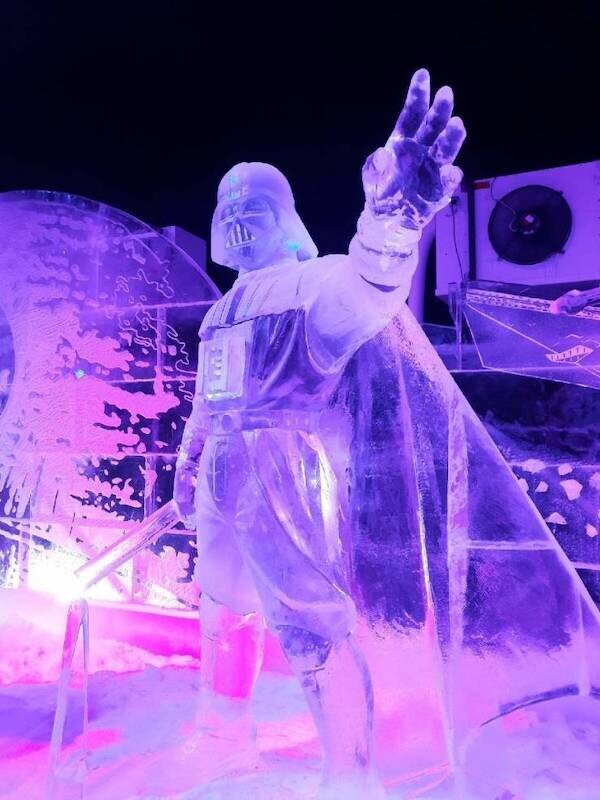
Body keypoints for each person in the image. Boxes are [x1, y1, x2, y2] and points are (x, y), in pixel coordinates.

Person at [174, 68, 465, 798]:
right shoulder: (218, 312)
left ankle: (349, 772)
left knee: (310, 621)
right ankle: (222, 732)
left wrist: (392, 225)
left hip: (286, 465)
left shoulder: (312, 284)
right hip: (224, 473)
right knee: (221, 603)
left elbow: (369, 288)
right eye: (229, 206)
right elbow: (208, 403)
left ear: (283, 216)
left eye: (253, 206)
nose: (238, 218)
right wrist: (189, 461)